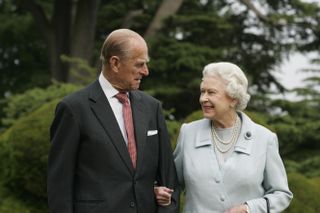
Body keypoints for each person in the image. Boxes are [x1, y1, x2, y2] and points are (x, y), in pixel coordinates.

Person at [47, 29, 179, 213]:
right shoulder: (73, 109)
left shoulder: (152, 107)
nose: (146, 71)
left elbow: (169, 178)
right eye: (139, 64)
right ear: (115, 63)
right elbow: (59, 185)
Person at [155, 62, 293, 213]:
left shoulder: (264, 138)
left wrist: (249, 209)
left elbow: (281, 194)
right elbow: (171, 183)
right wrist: (158, 190)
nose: (203, 99)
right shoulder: (188, 133)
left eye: (211, 92)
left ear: (233, 98)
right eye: (202, 92)